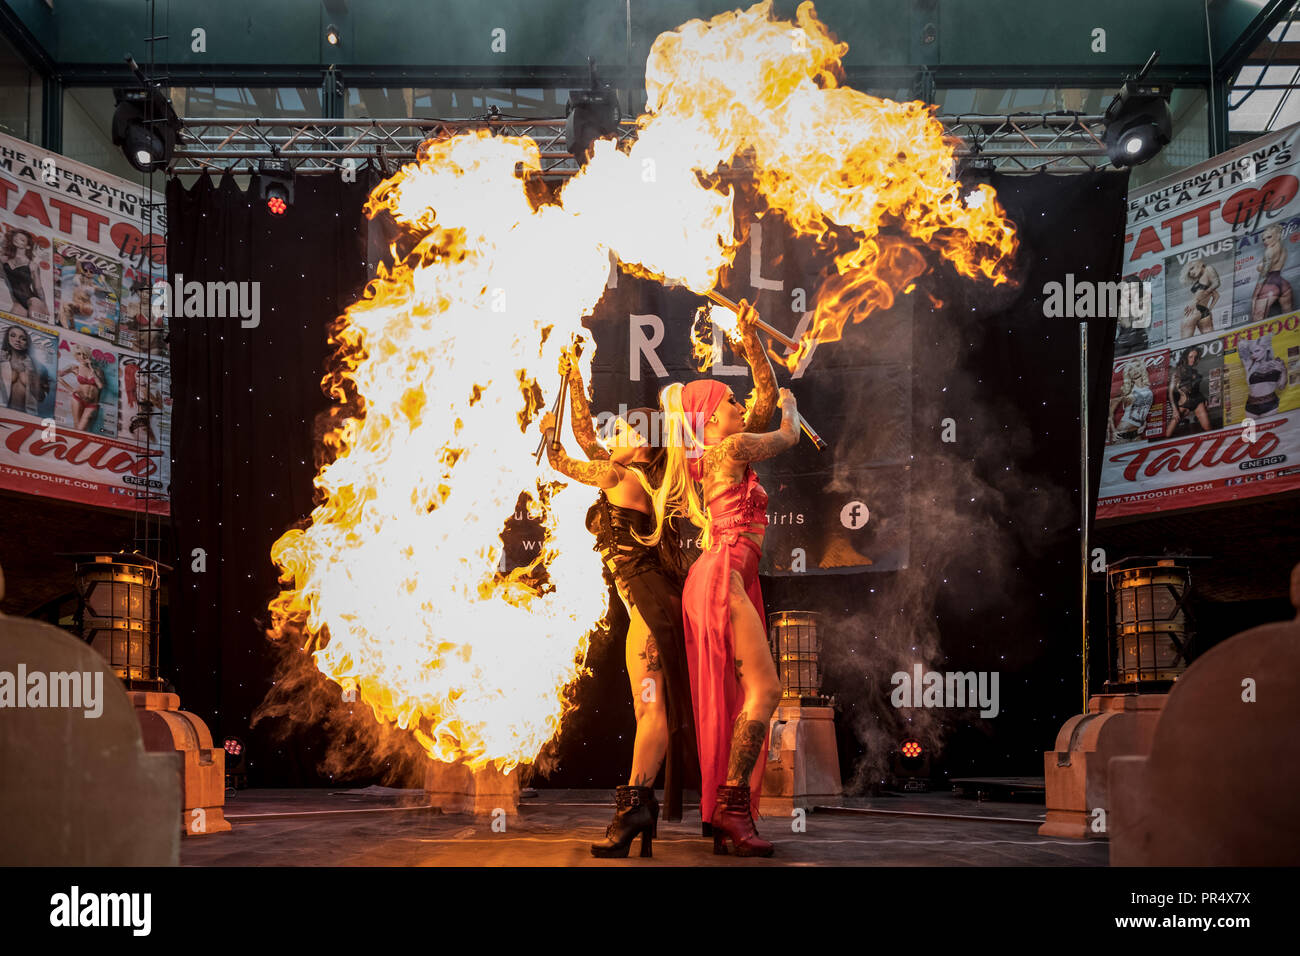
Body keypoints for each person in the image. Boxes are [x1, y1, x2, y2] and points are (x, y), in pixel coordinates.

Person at [638, 303, 797, 857]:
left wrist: (751, 337)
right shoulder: (729, 448)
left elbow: (764, 396)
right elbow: (785, 432)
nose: (740, 403)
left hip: (729, 574)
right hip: (723, 574)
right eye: (730, 401)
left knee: (747, 694)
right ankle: (731, 810)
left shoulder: (723, 448)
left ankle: (729, 812)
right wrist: (794, 413)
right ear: (712, 418)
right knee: (767, 690)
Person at [538, 350, 695, 859]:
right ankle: (639, 809)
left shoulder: (621, 477)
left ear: (643, 446)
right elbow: (583, 439)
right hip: (651, 606)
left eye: (626, 432)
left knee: (651, 709)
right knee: (652, 708)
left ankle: (633, 811)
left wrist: (553, 423)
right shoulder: (634, 476)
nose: (613, 435)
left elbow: (568, 454)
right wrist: (573, 377)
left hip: (650, 612)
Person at [0, 324, 51, 414]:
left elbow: (40, 398)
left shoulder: (39, 367)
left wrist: (31, 372)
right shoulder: (1, 360)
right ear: (7, 338)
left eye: (23, 338)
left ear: (28, 343)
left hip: (26, 416)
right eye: (13, 335)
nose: (17, 340)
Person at [0, 228, 49, 320]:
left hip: (33, 301)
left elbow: (38, 288)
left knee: (36, 327)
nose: (17, 239)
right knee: (12, 324)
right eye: (16, 237)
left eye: (22, 240)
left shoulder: (32, 265)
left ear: (28, 246)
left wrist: (44, 306)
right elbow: (3, 276)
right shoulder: (4, 259)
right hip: (18, 302)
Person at [1165, 346, 1211, 437]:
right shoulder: (1177, 372)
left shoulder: (1195, 372)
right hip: (1183, 404)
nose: (1193, 360)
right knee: (1167, 434)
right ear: (1185, 357)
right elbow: (1170, 393)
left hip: (1197, 402)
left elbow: (1197, 389)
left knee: (1208, 429)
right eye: (1190, 357)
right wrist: (1174, 409)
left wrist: (1204, 398)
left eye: (1195, 357)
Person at [1251, 224, 1294, 322]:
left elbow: (1265, 272)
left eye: (1269, 237)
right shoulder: (1284, 250)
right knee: (1290, 319)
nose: (1266, 241)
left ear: (1278, 236)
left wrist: (1256, 291)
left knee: (1257, 320)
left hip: (1269, 285)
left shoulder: (1269, 251)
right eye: (1264, 239)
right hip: (1284, 284)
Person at [1108, 359, 1153, 443]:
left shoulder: (1148, 389)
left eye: (1137, 366)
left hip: (1137, 433)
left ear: (1142, 368)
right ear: (1128, 373)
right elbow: (1110, 411)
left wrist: (1144, 424)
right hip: (1123, 431)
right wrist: (1113, 431)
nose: (1135, 370)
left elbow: (1142, 411)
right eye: (1130, 369)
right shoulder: (1126, 390)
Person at [1181, 261, 1220, 337]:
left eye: (1192, 268)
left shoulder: (1208, 270)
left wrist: (1196, 301)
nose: (1191, 272)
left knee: (1186, 342)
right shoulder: (1202, 281)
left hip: (1195, 310)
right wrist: (1209, 309)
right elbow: (1217, 295)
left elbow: (1216, 287)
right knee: (1210, 339)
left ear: (1200, 264)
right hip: (1204, 311)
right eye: (1189, 272)